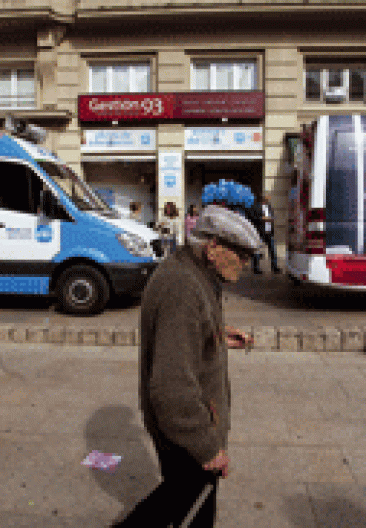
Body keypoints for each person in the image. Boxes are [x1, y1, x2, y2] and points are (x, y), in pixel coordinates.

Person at [112, 204, 262, 528]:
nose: (246, 264)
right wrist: (208, 448)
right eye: (242, 254)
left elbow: (185, 335)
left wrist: (217, 336)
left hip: (191, 425)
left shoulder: (193, 274)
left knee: (184, 505)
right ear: (213, 248)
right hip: (187, 431)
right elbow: (171, 387)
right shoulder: (182, 286)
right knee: (179, 507)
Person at [249, 196, 280, 274]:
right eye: (266, 198)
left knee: (272, 250)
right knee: (257, 250)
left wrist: (272, 219)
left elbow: (272, 217)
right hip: (260, 232)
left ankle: (274, 267)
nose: (267, 199)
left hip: (269, 232)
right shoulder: (256, 207)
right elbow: (253, 217)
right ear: (262, 199)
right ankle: (256, 268)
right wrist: (263, 219)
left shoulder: (269, 207)